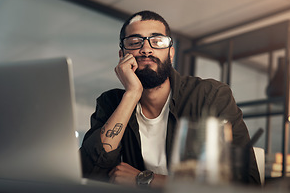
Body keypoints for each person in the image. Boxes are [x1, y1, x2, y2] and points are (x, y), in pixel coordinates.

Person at [80, 10, 261, 187]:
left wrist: (144, 180)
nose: (146, 49)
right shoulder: (110, 102)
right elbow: (88, 173)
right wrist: (132, 94)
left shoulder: (211, 95)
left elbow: (245, 183)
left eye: (157, 41)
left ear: (171, 53)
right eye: (135, 42)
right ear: (122, 56)